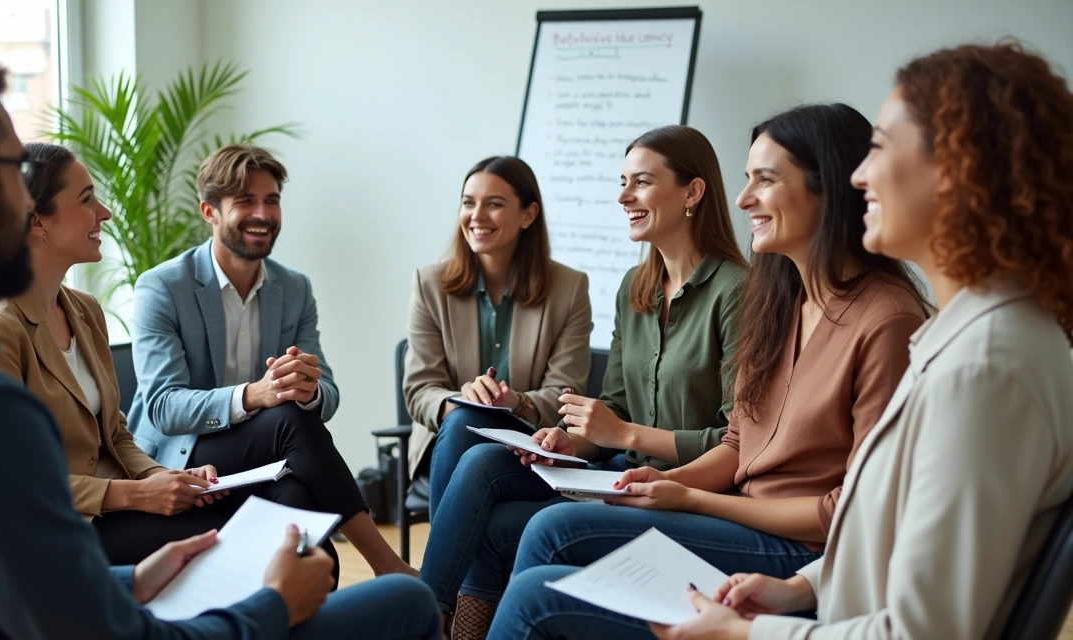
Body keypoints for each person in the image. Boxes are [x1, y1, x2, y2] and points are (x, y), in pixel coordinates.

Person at [0, 45, 439, 639]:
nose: (103, 214)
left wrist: (132, 580)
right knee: (404, 604)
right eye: (13, 170)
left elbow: (16, 587)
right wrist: (271, 607)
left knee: (299, 515)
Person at [656, 41, 1073, 640]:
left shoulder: (983, 369)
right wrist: (800, 587)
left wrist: (744, 634)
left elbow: (921, 633)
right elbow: (889, 529)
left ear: (958, 168)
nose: (858, 175)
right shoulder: (969, 340)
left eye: (879, 147)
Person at [488, 103, 930, 639]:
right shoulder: (782, 300)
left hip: (806, 555)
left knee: (551, 538)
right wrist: (664, 483)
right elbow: (741, 443)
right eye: (747, 180)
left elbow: (849, 514)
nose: (743, 199)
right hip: (739, 514)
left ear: (830, 188)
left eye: (765, 180)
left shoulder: (887, 320)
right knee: (534, 534)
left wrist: (692, 497)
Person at [420, 128, 746, 638]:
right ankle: (430, 621)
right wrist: (566, 441)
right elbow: (613, 406)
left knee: (499, 527)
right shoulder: (634, 287)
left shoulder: (737, 290)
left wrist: (623, 436)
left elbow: (737, 442)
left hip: (676, 486)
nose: (622, 197)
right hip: (620, 471)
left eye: (640, 182)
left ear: (693, 192)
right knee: (483, 459)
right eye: (622, 182)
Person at [127, 143, 415, 576]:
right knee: (286, 419)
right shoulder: (162, 287)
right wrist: (254, 396)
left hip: (266, 457)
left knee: (316, 551)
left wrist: (309, 389)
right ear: (210, 212)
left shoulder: (294, 288)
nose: (263, 213)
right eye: (245, 201)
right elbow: (164, 409)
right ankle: (389, 566)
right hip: (183, 457)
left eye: (272, 200)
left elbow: (329, 398)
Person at [0, 143, 257, 564]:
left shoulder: (85, 310)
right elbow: (9, 480)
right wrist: (138, 494)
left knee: (247, 518)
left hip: (112, 511)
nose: (104, 213)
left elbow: (116, 434)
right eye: (87, 200)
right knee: (232, 542)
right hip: (51, 533)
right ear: (36, 221)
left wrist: (166, 477)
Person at [403, 155, 591, 520]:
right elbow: (419, 390)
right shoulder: (429, 284)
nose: (477, 216)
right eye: (468, 202)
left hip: (528, 446)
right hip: (446, 440)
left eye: (494, 204)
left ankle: (437, 575)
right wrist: (462, 403)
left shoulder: (568, 288)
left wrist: (515, 402)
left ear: (528, 215)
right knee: (461, 422)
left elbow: (566, 393)